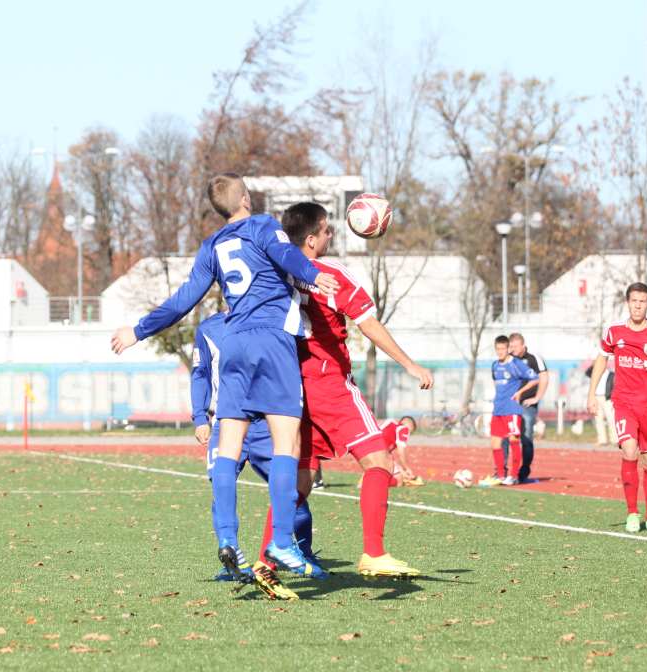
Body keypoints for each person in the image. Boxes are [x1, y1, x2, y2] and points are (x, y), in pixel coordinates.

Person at [111, 173, 339, 583]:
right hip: (271, 341)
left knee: (228, 450)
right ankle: (283, 541)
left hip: (233, 345)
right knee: (288, 440)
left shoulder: (211, 246)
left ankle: (229, 541)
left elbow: (184, 299)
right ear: (247, 198)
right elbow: (285, 256)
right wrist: (312, 272)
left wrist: (137, 331)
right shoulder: (264, 225)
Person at [271, 202, 433, 579]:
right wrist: (409, 364)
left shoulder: (276, 271)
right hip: (330, 383)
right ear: (311, 240)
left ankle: (268, 557)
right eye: (327, 230)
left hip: (290, 386)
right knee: (379, 462)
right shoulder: (329, 272)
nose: (331, 235)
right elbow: (368, 324)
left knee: (299, 480)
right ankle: (373, 554)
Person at [190, 311, 296, 599]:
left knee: (292, 490)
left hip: (266, 424)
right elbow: (199, 373)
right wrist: (200, 416)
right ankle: (231, 557)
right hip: (228, 422)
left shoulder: (275, 318)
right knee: (219, 487)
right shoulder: (209, 328)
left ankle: (298, 553)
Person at [587, 282, 647, 534]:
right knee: (630, 450)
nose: (637, 305)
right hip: (624, 402)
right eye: (633, 301)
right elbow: (601, 359)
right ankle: (632, 513)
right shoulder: (614, 332)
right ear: (627, 303)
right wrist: (592, 393)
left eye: (642, 301)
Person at [480, 335, 539, 487]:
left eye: (503, 349)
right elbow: (497, 385)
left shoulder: (516, 364)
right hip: (498, 410)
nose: (500, 352)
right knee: (495, 444)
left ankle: (513, 476)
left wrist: (520, 392)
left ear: (508, 349)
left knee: (514, 440)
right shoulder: (494, 365)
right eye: (497, 349)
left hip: (512, 409)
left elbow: (535, 378)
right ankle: (500, 475)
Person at [508, 333, 549, 482]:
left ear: (523, 345)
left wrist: (536, 398)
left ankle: (524, 470)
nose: (512, 349)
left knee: (526, 437)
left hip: (526, 404)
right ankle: (505, 472)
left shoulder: (533, 359)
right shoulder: (509, 359)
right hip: (510, 405)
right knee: (508, 438)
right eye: (510, 346)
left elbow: (544, 378)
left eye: (515, 346)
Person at [357, 417, 421, 489]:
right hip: (377, 452)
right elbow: (400, 452)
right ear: (410, 426)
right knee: (399, 481)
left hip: (368, 448)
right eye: (411, 431)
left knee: (396, 475)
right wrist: (406, 468)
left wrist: (403, 472)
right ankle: (369, 484)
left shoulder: (390, 425)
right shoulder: (404, 429)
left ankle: (364, 483)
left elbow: (389, 457)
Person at [585, 364, 617, 445]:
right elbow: (586, 373)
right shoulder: (594, 373)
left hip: (607, 398)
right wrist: (593, 365)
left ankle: (614, 440)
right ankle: (602, 440)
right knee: (598, 420)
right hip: (596, 397)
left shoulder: (611, 374)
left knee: (611, 420)